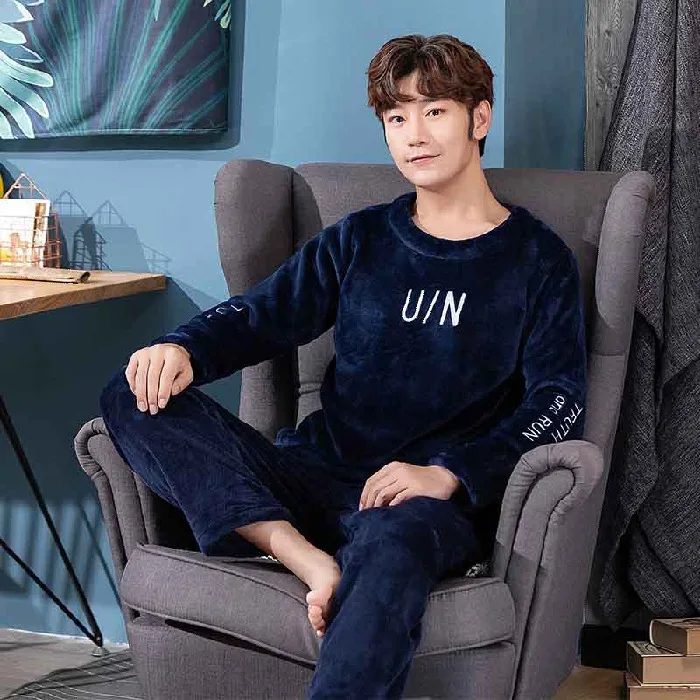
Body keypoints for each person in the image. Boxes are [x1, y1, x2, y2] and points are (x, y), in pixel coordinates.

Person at [100, 33, 587, 700]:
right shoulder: (360, 239)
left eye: (435, 111)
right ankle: (306, 560)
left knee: (394, 544)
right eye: (397, 117)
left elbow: (558, 402)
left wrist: (448, 473)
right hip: (310, 478)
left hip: (418, 508)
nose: (415, 134)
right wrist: (181, 347)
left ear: (480, 118)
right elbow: (260, 315)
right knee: (131, 392)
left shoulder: (538, 260)